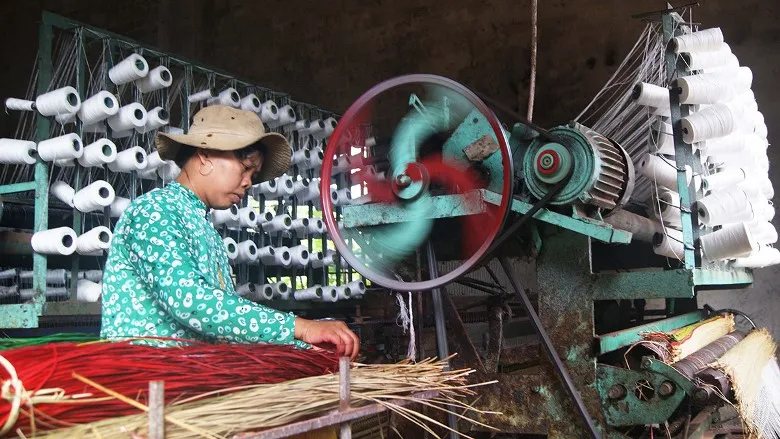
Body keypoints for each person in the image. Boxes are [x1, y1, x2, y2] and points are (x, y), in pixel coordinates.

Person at [100, 105, 359, 360]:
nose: (248, 182)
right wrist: (299, 328)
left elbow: (223, 328)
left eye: (253, 174)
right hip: (146, 379)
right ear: (205, 156)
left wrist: (302, 349)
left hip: (190, 381)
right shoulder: (154, 211)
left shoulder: (203, 227)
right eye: (245, 168)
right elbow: (190, 302)